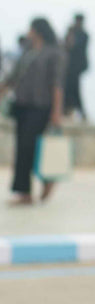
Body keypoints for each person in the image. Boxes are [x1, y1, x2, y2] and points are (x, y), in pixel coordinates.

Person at [0, 18, 65, 206]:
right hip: (22, 105)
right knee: (21, 148)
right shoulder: (28, 51)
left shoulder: (54, 53)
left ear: (38, 30)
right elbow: (13, 76)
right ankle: (23, 192)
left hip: (41, 106)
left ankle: (48, 178)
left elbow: (57, 84)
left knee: (33, 146)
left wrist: (56, 112)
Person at [63, 13, 90, 122]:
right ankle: (67, 111)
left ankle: (79, 113)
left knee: (75, 90)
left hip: (76, 67)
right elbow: (66, 45)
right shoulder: (72, 32)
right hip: (69, 67)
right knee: (68, 89)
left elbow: (73, 45)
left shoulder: (83, 35)